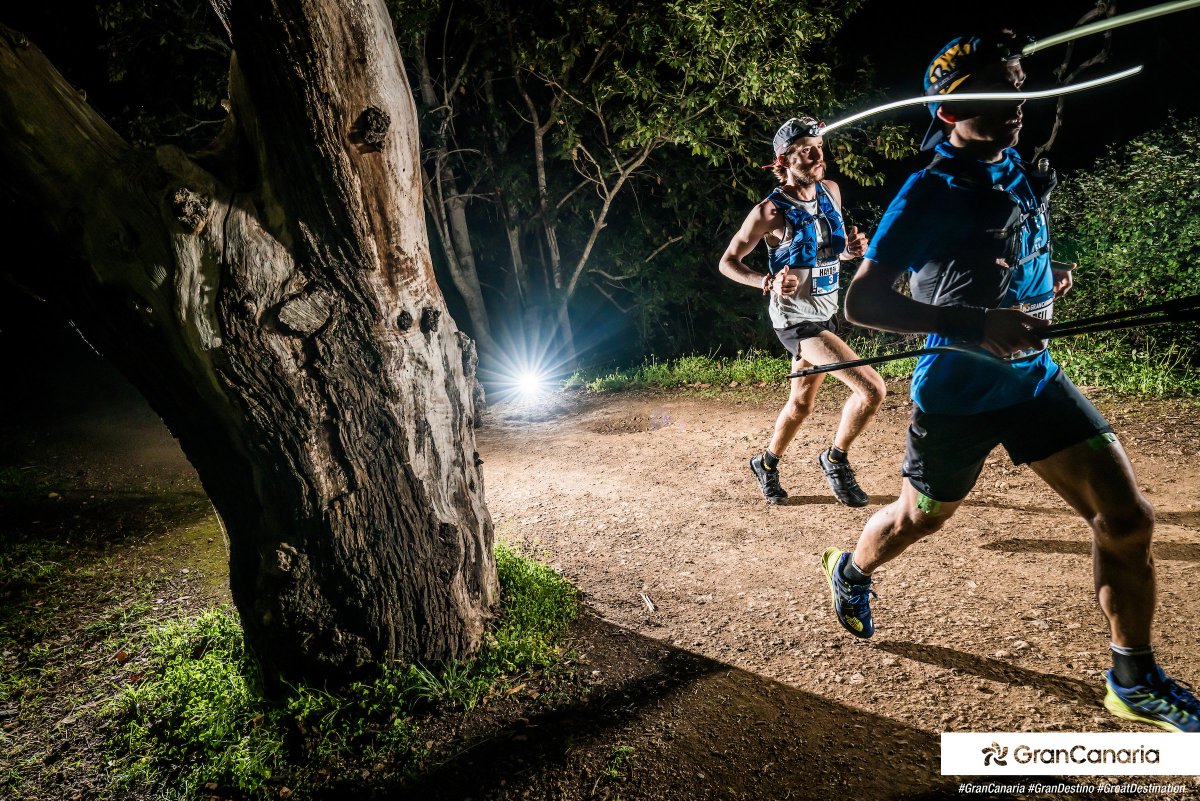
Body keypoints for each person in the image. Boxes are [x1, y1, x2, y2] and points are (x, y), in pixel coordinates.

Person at [821, 32, 1200, 732]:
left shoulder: (1016, 163)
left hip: (1030, 380)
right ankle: (851, 568)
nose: (1016, 98)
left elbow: (1010, 243)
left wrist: (1042, 280)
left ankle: (1132, 675)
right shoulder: (926, 191)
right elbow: (863, 302)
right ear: (948, 111)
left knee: (1128, 519)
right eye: (996, 88)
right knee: (917, 518)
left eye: (1018, 81)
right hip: (957, 391)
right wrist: (973, 323)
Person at [719, 116, 885, 507]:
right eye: (805, 150)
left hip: (825, 311)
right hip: (795, 320)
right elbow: (728, 262)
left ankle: (765, 462)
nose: (816, 154)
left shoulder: (831, 191)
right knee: (871, 389)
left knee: (801, 404)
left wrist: (853, 250)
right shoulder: (770, 212)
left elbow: (833, 251)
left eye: (818, 147)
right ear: (785, 159)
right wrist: (766, 281)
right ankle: (836, 460)